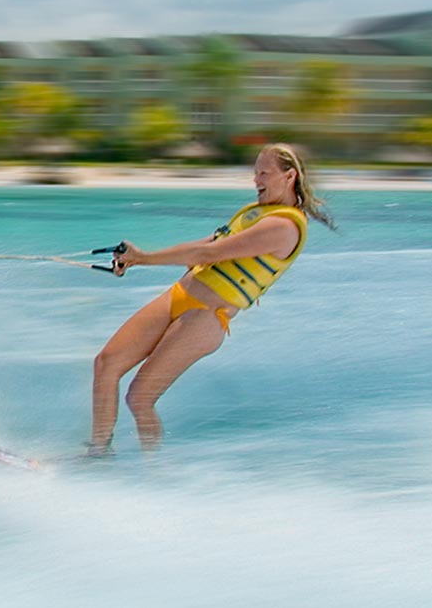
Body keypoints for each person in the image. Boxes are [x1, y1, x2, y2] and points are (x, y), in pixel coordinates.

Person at [87, 143, 334, 454]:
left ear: (289, 177)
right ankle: (97, 454)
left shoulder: (283, 226)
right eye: (254, 172)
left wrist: (144, 257)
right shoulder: (257, 213)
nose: (256, 180)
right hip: (179, 296)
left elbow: (210, 253)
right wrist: (133, 260)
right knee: (106, 364)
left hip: (205, 317)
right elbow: (203, 247)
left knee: (139, 398)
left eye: (263, 173)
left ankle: (153, 473)